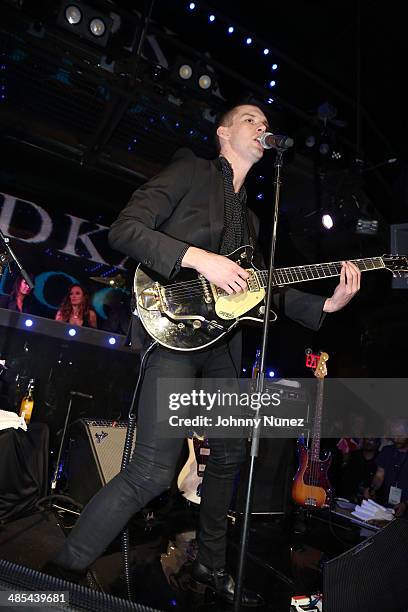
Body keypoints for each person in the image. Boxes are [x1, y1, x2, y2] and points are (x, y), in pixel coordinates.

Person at [45, 104, 360, 604]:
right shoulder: (192, 170)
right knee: (150, 470)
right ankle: (55, 573)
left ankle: (210, 566)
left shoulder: (253, 220)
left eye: (265, 122)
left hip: (222, 347)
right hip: (172, 328)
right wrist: (199, 259)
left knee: (231, 451)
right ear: (223, 133)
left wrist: (326, 303)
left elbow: (261, 289)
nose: (262, 127)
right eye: (250, 120)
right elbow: (125, 229)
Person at [364, 423, 408, 517]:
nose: (395, 439)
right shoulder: (387, 451)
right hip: (386, 508)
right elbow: (379, 476)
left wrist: (405, 504)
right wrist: (372, 488)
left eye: (399, 436)